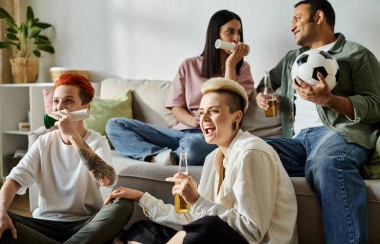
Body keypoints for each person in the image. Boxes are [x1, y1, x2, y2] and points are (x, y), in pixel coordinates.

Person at [104, 77, 298, 244]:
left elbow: (252, 231)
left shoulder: (251, 152)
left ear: (237, 117)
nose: (204, 118)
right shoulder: (213, 158)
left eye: (213, 111)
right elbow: (193, 216)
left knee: (207, 227)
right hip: (216, 236)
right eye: (201, 111)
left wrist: (197, 200)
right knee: (143, 230)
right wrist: (141, 197)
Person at [256, 0, 380, 244]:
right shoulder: (292, 58)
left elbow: (376, 105)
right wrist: (262, 94)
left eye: (297, 19)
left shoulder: (357, 54)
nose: (292, 26)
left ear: (319, 17)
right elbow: (266, 80)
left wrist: (330, 100)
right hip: (297, 142)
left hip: (339, 135)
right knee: (248, 150)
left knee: (328, 162)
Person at [106, 9, 253, 166]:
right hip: (178, 132)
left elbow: (230, 102)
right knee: (115, 125)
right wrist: (193, 120)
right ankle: (159, 155)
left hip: (207, 137)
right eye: (230, 32)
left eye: (239, 33)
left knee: (194, 145)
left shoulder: (242, 69)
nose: (236, 38)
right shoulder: (189, 65)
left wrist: (231, 64)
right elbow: (176, 107)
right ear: (215, 35)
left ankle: (174, 155)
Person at [0, 74, 133, 243]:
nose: (59, 108)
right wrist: (1, 213)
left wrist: (73, 135)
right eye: (56, 101)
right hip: (46, 224)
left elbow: (106, 180)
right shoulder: (43, 142)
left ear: (85, 109)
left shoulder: (97, 141)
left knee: (124, 205)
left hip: (86, 224)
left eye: (68, 101)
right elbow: (13, 180)